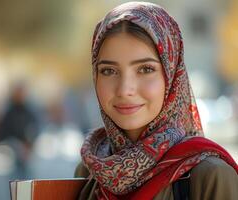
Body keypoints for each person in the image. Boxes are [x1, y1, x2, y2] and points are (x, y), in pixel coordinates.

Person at [74, 2, 238, 200]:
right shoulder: (90, 172)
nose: (125, 90)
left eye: (145, 69)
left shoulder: (209, 176)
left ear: (171, 77)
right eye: (109, 71)